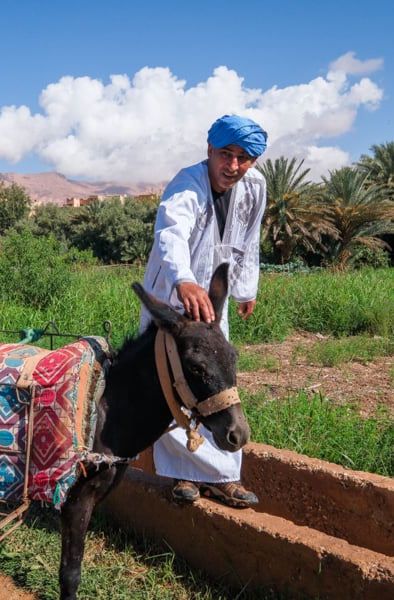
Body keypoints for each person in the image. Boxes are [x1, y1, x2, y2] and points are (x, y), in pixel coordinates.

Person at [140, 114, 267, 508]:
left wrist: (245, 288)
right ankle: (182, 473)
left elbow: (249, 237)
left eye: (243, 158)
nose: (233, 165)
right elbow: (171, 233)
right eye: (226, 154)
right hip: (173, 295)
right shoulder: (187, 185)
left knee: (214, 380)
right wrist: (183, 279)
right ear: (209, 150)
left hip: (213, 299)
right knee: (172, 381)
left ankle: (224, 476)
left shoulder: (255, 186)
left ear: (253, 162)